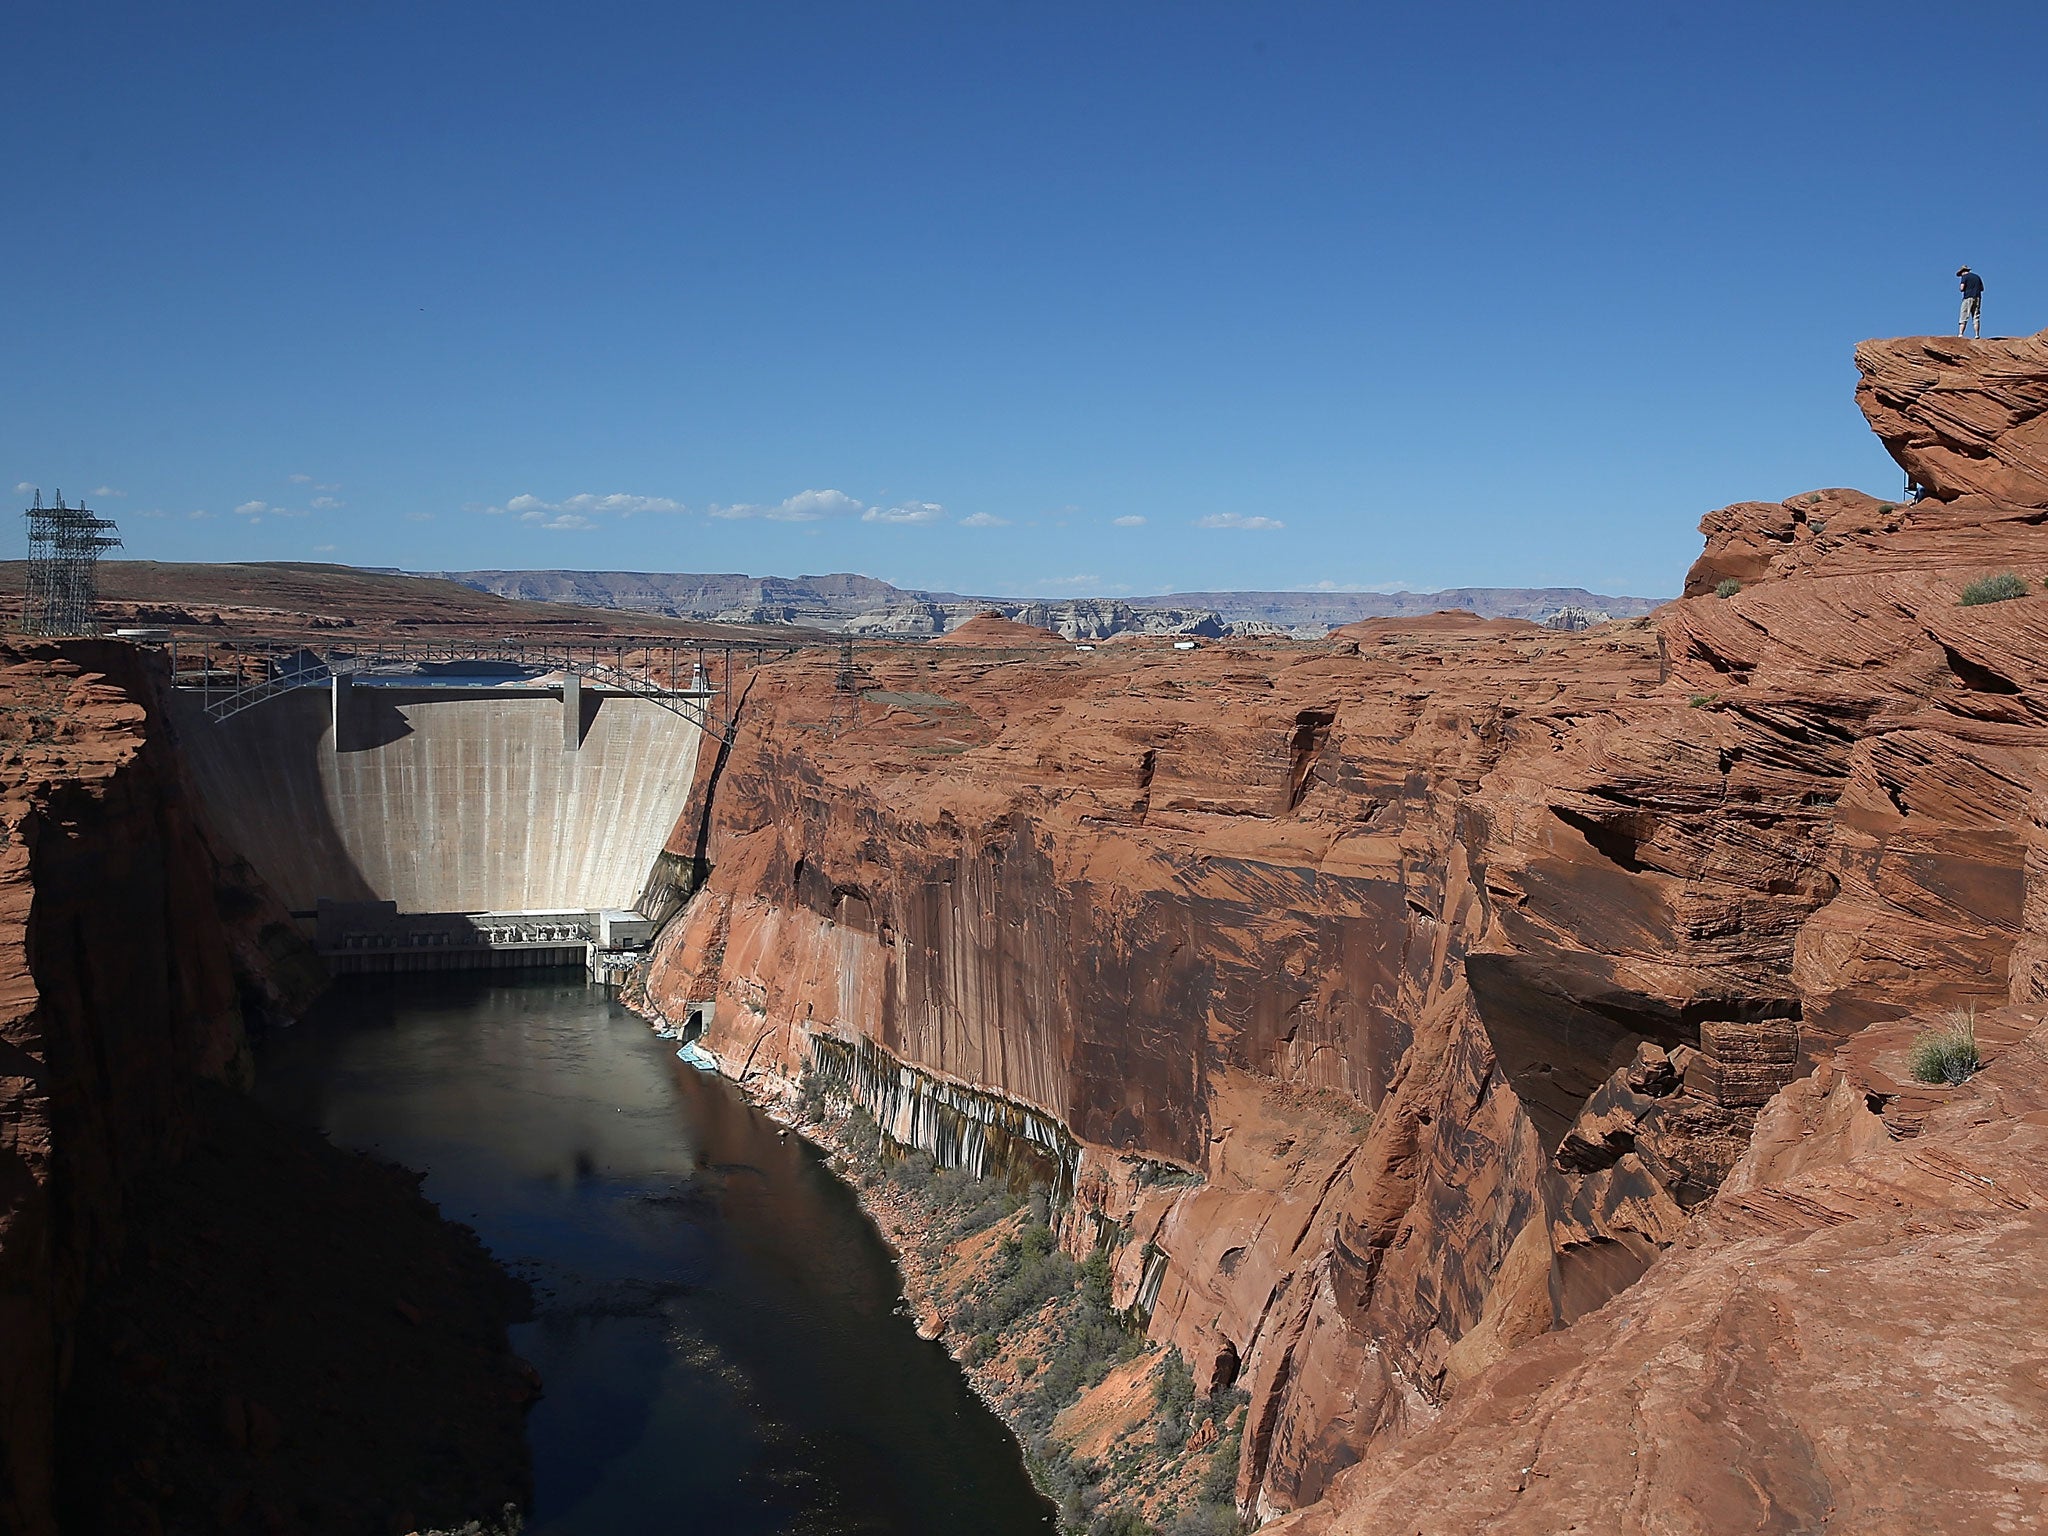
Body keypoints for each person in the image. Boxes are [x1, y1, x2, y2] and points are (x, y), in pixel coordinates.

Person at [1958, 266, 1984, 338]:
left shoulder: (1965, 277)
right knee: (1976, 316)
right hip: (1977, 297)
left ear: (1962, 272)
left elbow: (1961, 288)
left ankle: (1960, 334)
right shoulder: (1977, 277)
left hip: (1968, 297)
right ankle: (1977, 334)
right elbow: (1982, 288)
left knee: (1964, 315)